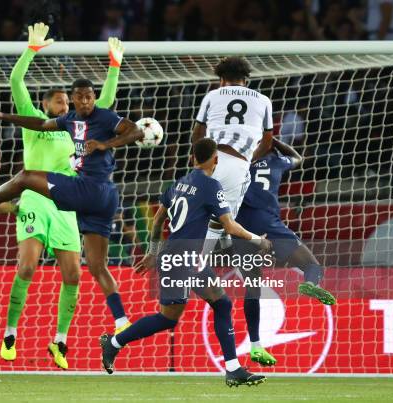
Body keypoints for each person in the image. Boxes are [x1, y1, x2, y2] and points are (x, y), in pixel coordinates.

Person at [0, 78, 144, 340]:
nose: (85, 101)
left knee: (27, 177)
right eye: (80, 97)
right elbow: (40, 124)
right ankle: (122, 320)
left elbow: (137, 131)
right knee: (98, 267)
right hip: (104, 198)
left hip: (91, 189)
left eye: (90, 96)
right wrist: (3, 116)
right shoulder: (69, 120)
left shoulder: (105, 116)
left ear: (94, 97)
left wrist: (105, 145)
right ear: (73, 98)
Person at [0, 23, 124, 369]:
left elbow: (106, 101)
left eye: (68, 100)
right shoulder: (35, 121)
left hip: (68, 201)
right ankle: (9, 334)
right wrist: (31, 50)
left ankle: (59, 342)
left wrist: (114, 66)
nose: (66, 104)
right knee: (27, 265)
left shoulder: (77, 125)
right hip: (37, 197)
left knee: (73, 275)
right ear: (45, 103)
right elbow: (15, 83)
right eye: (59, 100)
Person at [99, 138, 269, 387]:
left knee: (222, 304)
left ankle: (233, 369)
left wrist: (153, 252)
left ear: (192, 159)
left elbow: (157, 221)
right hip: (182, 258)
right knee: (168, 319)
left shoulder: (178, 184)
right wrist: (257, 240)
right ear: (216, 159)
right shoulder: (212, 186)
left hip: (185, 256)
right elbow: (230, 225)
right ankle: (113, 343)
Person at [234, 138, 336, 366]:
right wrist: (274, 141)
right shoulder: (277, 161)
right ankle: (311, 284)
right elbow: (299, 158)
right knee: (312, 265)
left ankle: (255, 345)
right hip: (269, 223)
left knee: (253, 289)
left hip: (241, 227)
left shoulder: (238, 163)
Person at [191, 56, 273, 258]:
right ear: (246, 79)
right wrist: (248, 160)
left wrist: (198, 160)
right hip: (238, 163)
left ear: (221, 79)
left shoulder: (212, 95)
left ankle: (208, 255)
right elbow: (268, 141)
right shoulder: (263, 100)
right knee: (223, 219)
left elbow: (197, 134)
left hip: (210, 160)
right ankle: (251, 243)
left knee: (200, 216)